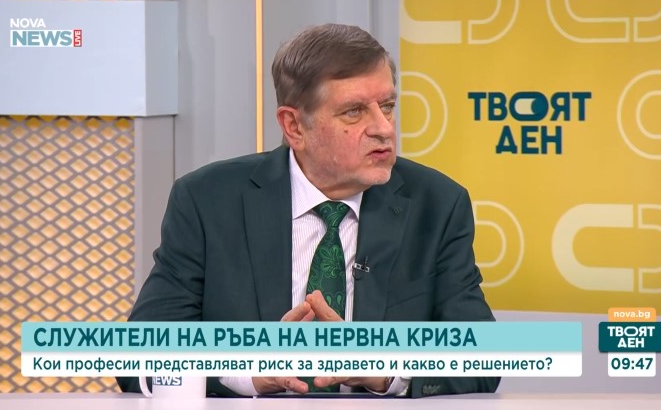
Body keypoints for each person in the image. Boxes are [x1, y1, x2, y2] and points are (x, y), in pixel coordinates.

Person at [117, 23, 499, 397]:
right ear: (294, 126)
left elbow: (483, 359)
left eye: (387, 106)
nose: (384, 128)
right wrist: (247, 372)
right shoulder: (207, 202)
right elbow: (139, 356)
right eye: (354, 112)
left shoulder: (437, 206)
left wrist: (383, 368)